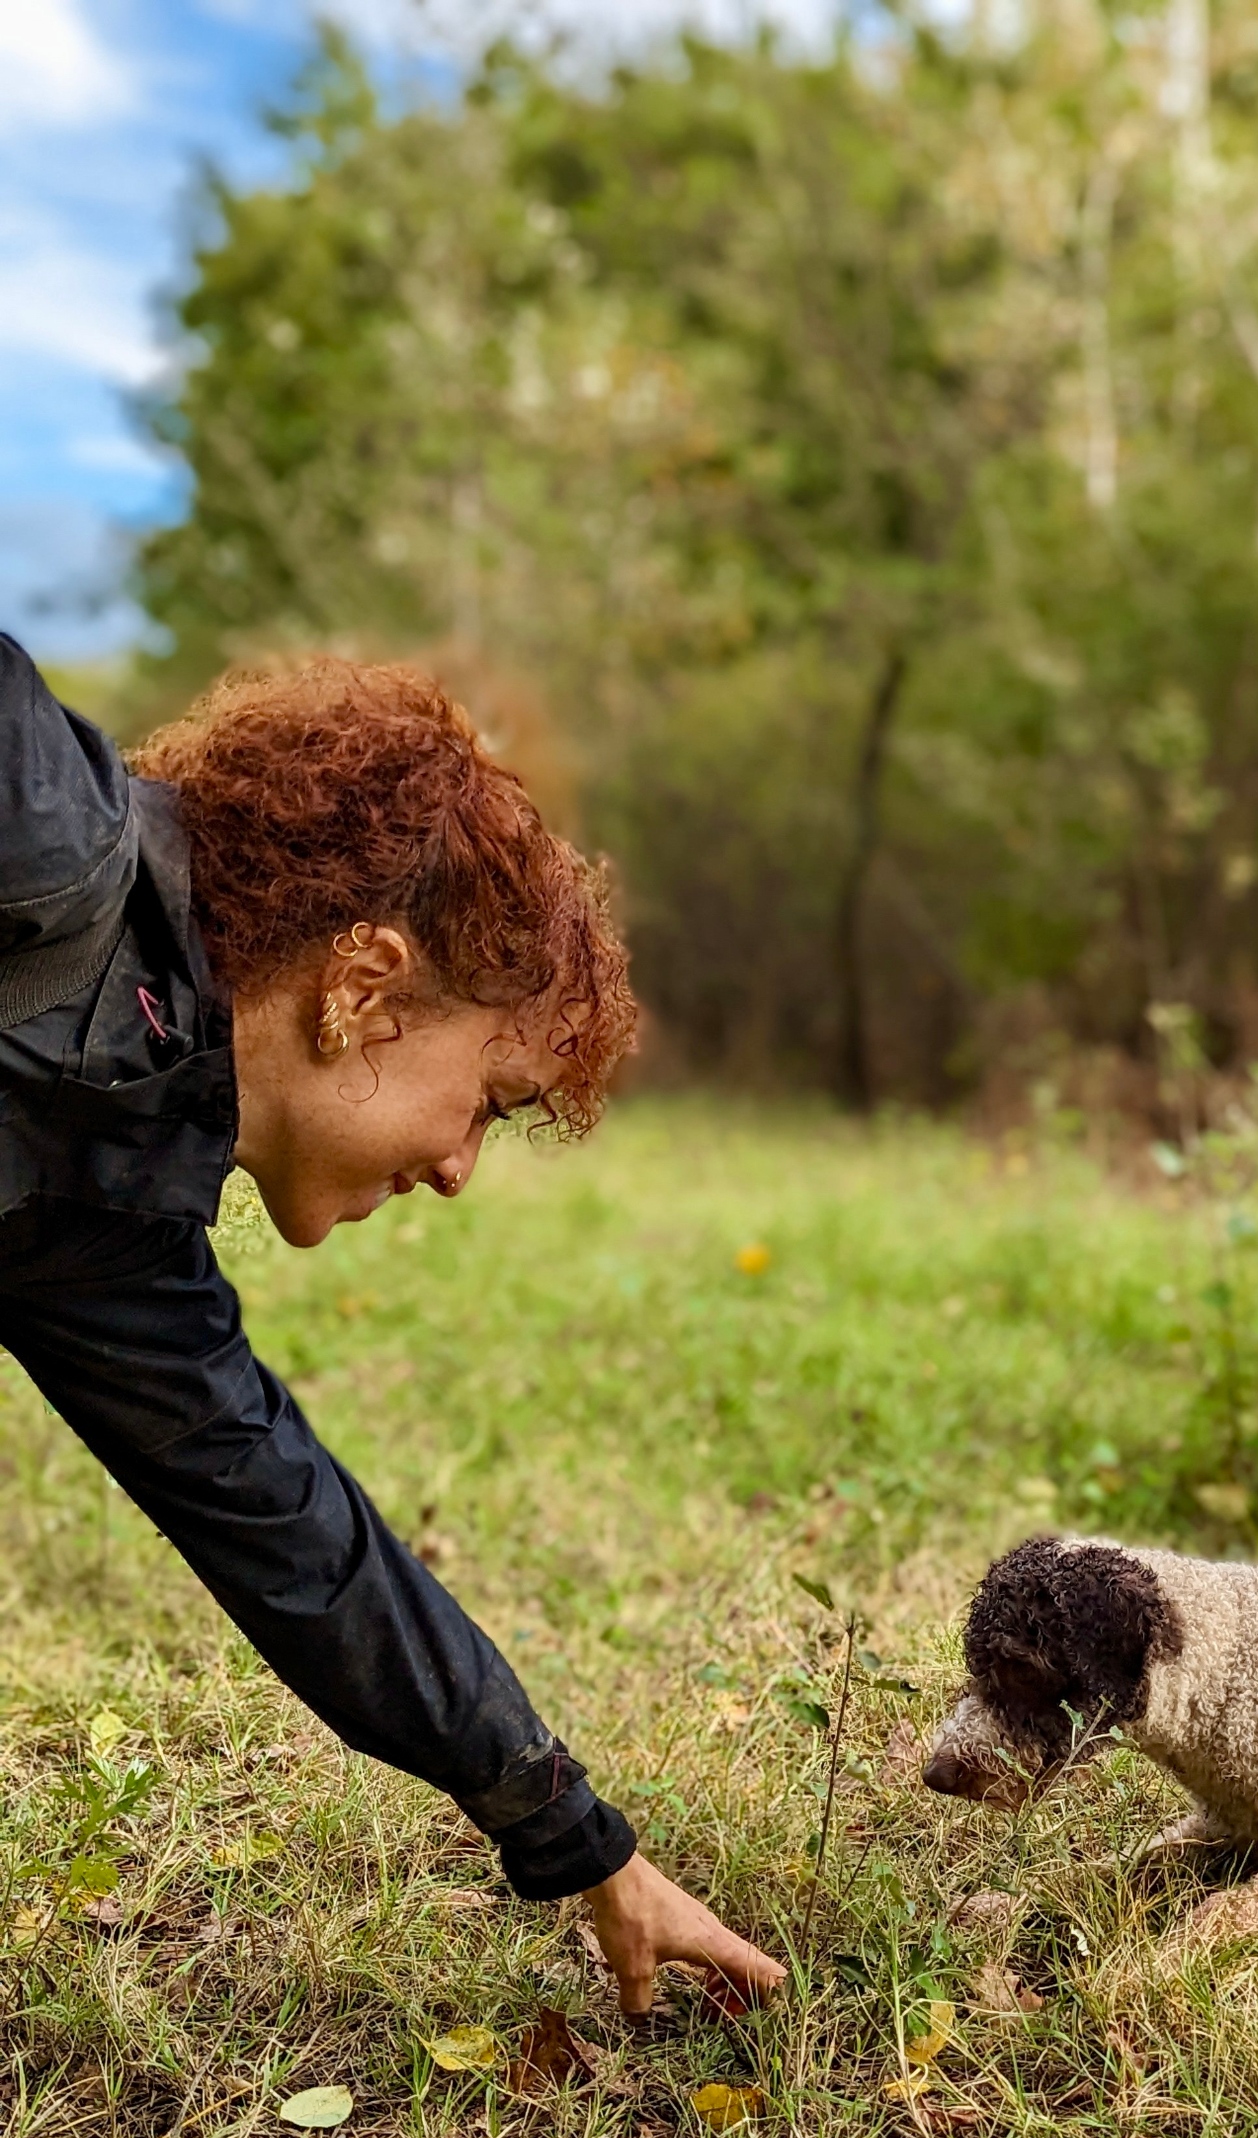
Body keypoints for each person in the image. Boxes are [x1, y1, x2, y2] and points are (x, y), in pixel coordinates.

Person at [0, 634, 785, 2012]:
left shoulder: (101, 1200)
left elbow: (292, 1532)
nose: (457, 1168)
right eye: (482, 1099)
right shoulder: (39, 838)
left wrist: (583, 1844)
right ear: (363, 984)